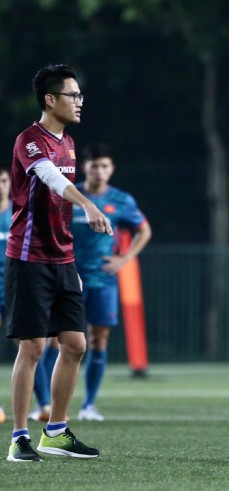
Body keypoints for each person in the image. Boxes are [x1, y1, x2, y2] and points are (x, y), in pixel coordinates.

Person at [6, 64, 112, 463]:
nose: (80, 102)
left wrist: (72, 267)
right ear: (50, 99)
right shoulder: (29, 140)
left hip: (62, 259)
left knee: (75, 343)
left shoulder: (68, 142)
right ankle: (19, 438)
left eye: (80, 95)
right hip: (28, 257)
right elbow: (51, 178)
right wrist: (88, 204)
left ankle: (56, 431)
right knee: (33, 347)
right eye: (73, 95)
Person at [73, 143, 151, 420]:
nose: (99, 171)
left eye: (104, 166)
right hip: (69, 279)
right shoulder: (71, 195)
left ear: (112, 169)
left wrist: (124, 258)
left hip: (103, 280)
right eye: (94, 166)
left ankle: (88, 405)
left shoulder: (120, 200)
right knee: (57, 341)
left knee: (98, 340)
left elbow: (144, 230)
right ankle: (45, 405)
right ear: (85, 167)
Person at [0, 167, 11, 425]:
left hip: (16, 288)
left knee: (30, 346)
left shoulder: (20, 212)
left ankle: (44, 405)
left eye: (3, 181)